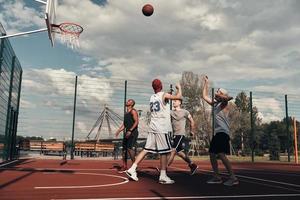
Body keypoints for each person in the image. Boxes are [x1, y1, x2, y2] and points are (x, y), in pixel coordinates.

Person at [125, 79, 182, 184]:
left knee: (146, 149)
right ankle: (163, 176)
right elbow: (179, 97)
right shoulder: (163, 95)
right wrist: (179, 88)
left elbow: (164, 98)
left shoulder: (152, 97)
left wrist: (168, 94)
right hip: (162, 127)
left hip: (153, 127)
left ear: (153, 88)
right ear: (161, 86)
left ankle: (132, 168)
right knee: (164, 152)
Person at [202, 76, 239, 186]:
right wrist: (206, 83)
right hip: (218, 133)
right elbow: (204, 96)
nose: (217, 92)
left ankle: (233, 177)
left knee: (221, 155)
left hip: (223, 132)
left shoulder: (224, 103)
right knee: (212, 154)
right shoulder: (215, 104)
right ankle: (217, 176)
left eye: (219, 91)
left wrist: (221, 95)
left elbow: (225, 98)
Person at [167, 99, 198, 175]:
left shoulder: (185, 112)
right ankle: (192, 165)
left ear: (180, 102)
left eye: (176, 101)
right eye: (173, 101)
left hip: (180, 134)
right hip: (174, 135)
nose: (174, 102)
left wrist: (192, 131)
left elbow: (192, 121)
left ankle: (164, 169)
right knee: (180, 152)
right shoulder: (171, 112)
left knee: (173, 151)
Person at [115, 99, 139, 172]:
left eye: (129, 101)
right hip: (127, 132)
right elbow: (124, 125)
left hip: (133, 132)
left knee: (129, 148)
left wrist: (130, 130)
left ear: (132, 104)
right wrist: (119, 130)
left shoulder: (133, 111)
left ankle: (134, 166)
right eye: (127, 101)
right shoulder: (126, 113)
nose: (127, 102)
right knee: (124, 150)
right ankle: (124, 166)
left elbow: (136, 122)